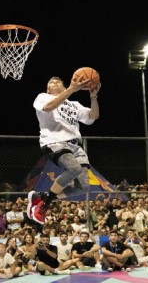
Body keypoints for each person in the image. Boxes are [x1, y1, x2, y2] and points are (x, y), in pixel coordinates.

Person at [26, 74, 100, 224]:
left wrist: (93, 97)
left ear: (64, 86)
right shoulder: (43, 97)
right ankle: (43, 206)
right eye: (51, 81)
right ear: (48, 89)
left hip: (75, 145)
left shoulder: (74, 104)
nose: (55, 82)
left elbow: (93, 116)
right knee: (74, 169)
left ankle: (42, 197)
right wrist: (72, 89)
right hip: (54, 141)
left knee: (84, 186)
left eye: (58, 81)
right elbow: (48, 108)